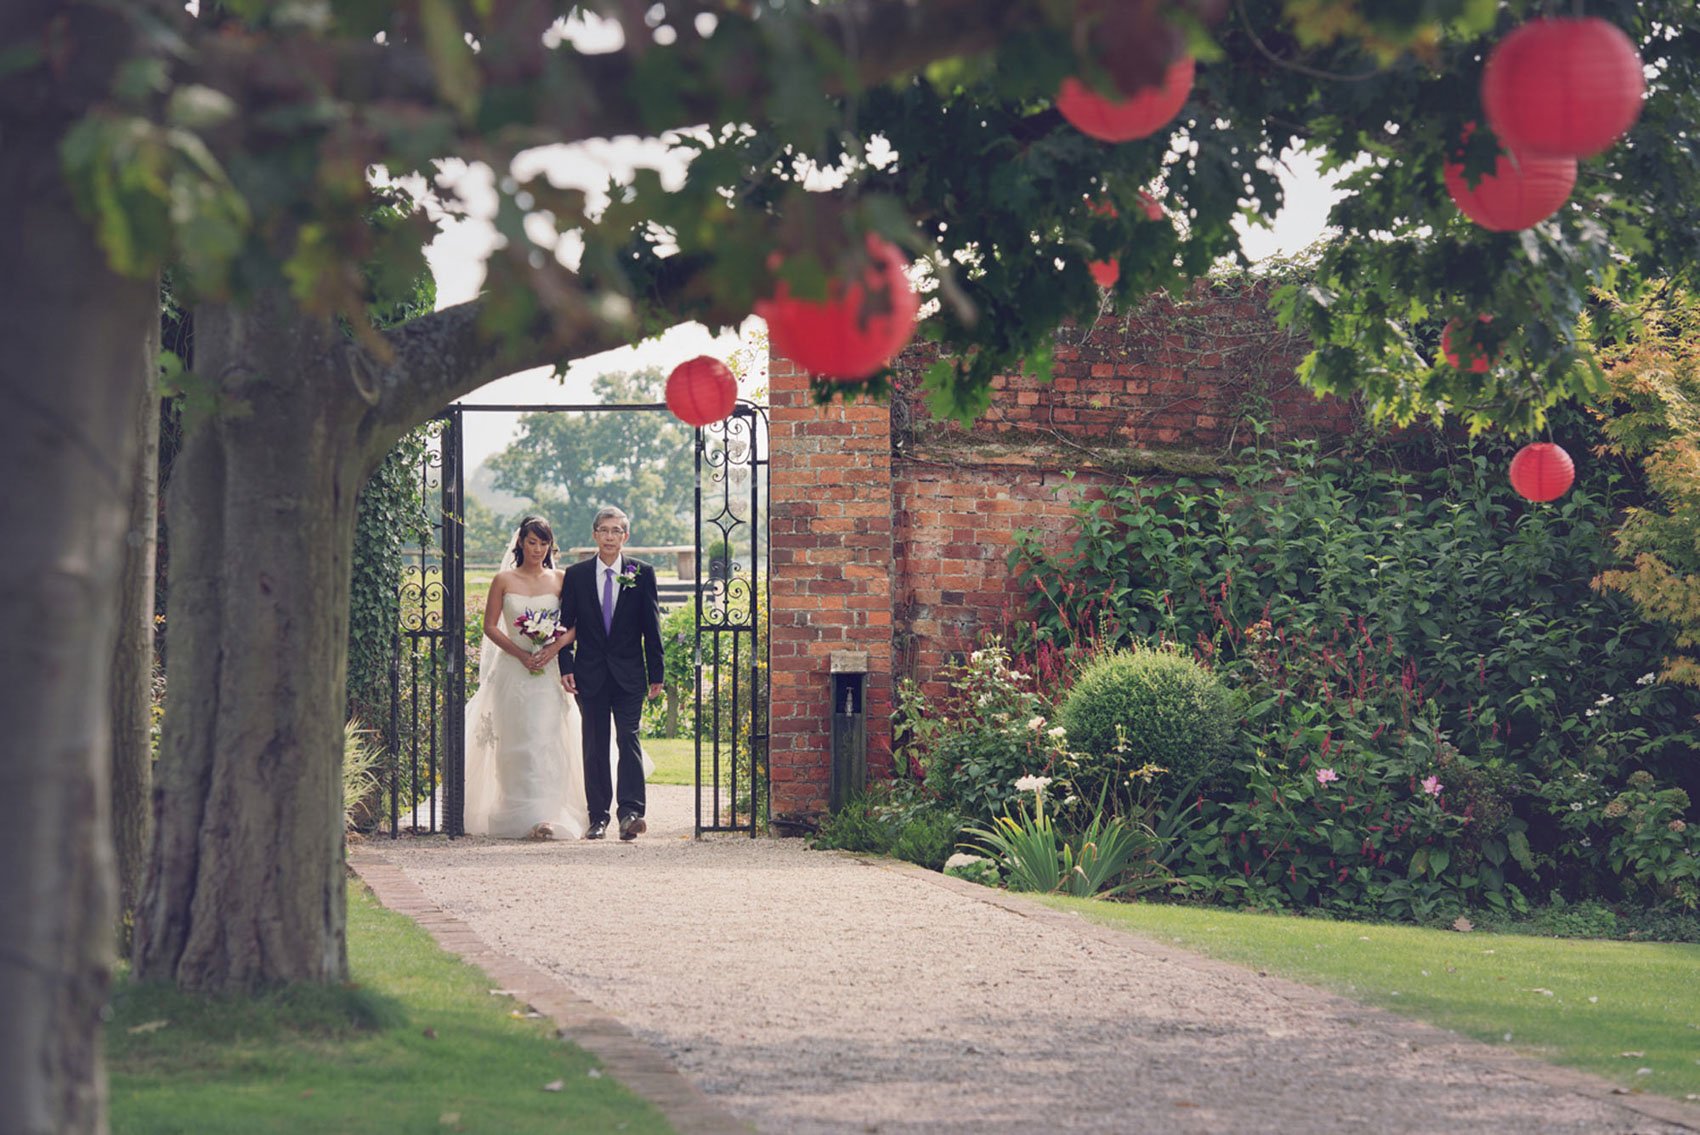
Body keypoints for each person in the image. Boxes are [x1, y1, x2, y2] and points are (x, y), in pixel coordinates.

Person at [463, 517, 589, 840]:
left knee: (545, 739)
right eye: (532, 542)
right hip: (513, 671)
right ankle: (516, 811)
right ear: (520, 542)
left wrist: (554, 647)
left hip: (548, 671)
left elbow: (577, 624)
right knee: (516, 741)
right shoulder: (503, 580)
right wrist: (521, 654)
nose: (537, 549)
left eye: (543, 543)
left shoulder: (561, 579)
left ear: (550, 546)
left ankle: (547, 814)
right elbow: (490, 627)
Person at [557, 506, 665, 840]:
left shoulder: (641, 572)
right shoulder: (576, 575)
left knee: (628, 738)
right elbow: (566, 624)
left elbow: (652, 625)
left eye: (616, 530)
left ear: (625, 536)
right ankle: (598, 816)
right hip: (590, 673)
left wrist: (656, 673)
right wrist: (566, 666)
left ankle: (631, 813)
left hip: (630, 674)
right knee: (594, 744)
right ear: (594, 535)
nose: (609, 536)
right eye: (604, 530)